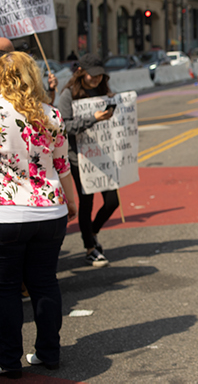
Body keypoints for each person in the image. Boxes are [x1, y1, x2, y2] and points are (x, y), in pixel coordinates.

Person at [0, 51, 78, 377]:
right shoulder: (51, 115)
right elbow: (62, 166)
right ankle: (49, 352)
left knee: (4, 289)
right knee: (45, 284)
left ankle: (8, 360)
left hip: (8, 212)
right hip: (50, 211)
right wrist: (72, 202)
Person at [57, 53, 117, 267]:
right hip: (79, 158)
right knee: (87, 202)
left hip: (103, 155)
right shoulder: (68, 95)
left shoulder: (103, 91)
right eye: (93, 76)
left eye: (100, 76)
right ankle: (90, 247)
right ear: (81, 72)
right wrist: (93, 119)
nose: (96, 79)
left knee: (112, 201)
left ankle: (92, 232)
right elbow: (63, 126)